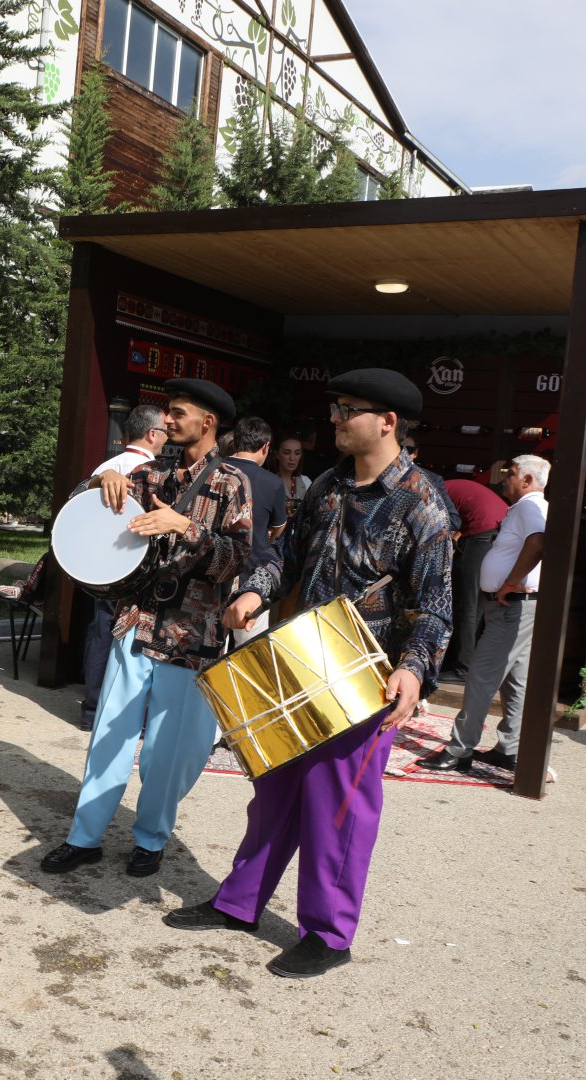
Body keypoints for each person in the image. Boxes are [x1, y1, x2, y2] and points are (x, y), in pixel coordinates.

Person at [166, 368, 452, 980]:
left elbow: (435, 604)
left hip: (368, 676)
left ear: (387, 422)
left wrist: (413, 668)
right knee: (274, 792)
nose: (335, 418)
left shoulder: (424, 503)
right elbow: (286, 555)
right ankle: (239, 902)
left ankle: (328, 932)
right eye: (336, 407)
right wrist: (256, 589)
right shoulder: (327, 484)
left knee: (338, 808)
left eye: (348, 409)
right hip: (303, 659)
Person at [40, 378, 252, 879]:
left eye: (178, 413)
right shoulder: (148, 473)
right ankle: (84, 837)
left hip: (190, 637)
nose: (167, 420)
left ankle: (150, 839)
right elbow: (81, 511)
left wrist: (185, 528)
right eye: (167, 412)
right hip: (135, 624)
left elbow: (237, 560)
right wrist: (101, 484)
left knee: (167, 750)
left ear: (208, 422)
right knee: (108, 738)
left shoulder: (231, 482)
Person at [418, 454, 549, 772]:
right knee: (515, 681)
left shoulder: (529, 507)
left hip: (511, 605)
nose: (504, 478)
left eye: (511, 473)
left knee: (481, 678)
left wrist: (510, 583)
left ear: (527, 480)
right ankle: (509, 748)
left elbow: (537, 543)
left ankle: (459, 750)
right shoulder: (532, 507)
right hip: (517, 606)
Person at [78, 405, 169, 731]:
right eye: (165, 430)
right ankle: (110, 712)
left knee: (101, 631)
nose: (168, 436)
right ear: (152, 434)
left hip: (101, 562)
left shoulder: (107, 467)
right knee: (121, 636)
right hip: (131, 566)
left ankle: (91, 710)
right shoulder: (149, 471)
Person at [222, 416, 288, 644]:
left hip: (212, 572)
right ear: (266, 447)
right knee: (247, 650)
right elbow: (279, 528)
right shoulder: (273, 482)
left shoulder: (213, 471)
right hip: (252, 575)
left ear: (236, 441)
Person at [440, 474, 510, 679]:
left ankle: (462, 668)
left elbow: (439, 527)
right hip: (497, 531)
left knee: (467, 604)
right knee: (477, 604)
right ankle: (467, 664)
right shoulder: (450, 487)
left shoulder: (433, 491)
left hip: (483, 534)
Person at [270, 434, 312, 521]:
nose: (292, 458)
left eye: (297, 453)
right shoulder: (268, 481)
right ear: (277, 454)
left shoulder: (306, 481)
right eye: (286, 453)